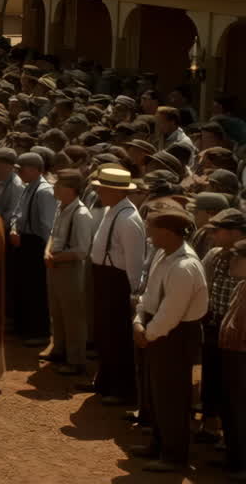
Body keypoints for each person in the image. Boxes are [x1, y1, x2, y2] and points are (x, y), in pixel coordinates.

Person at [128, 202, 207, 473]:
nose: (148, 233)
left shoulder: (185, 266)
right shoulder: (163, 255)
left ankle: (174, 457)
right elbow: (149, 296)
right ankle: (158, 444)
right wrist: (139, 321)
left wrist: (147, 333)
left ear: (168, 232)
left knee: (172, 396)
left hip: (175, 337)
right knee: (157, 393)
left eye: (152, 228)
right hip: (157, 331)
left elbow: (171, 313)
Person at [78, 166, 147, 405]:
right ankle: (105, 381)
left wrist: (133, 293)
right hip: (104, 277)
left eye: (103, 189)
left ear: (117, 191)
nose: (98, 193)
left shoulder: (128, 219)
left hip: (118, 282)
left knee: (117, 336)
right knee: (104, 333)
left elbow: (135, 261)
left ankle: (121, 389)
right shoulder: (112, 210)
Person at [199, 209, 246, 447]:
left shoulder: (243, 259)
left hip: (239, 333)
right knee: (212, 377)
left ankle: (232, 439)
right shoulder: (216, 255)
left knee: (234, 386)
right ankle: (210, 426)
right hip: (215, 324)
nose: (213, 235)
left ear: (236, 232)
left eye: (218, 230)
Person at [44, 169, 94, 375]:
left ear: (71, 189)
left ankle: (76, 360)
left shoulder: (81, 214)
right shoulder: (61, 207)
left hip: (71, 269)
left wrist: (55, 258)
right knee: (56, 311)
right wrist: (47, 252)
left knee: (73, 316)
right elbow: (52, 234)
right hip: (55, 265)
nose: (54, 187)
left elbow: (82, 251)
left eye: (58, 184)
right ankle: (59, 350)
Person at [11, 151, 55, 346]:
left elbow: (48, 225)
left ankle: (40, 332)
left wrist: (47, 250)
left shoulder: (44, 191)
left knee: (37, 289)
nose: (19, 172)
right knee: (23, 287)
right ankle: (24, 327)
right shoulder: (27, 187)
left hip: (37, 244)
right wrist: (14, 229)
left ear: (35, 169)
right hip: (23, 241)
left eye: (22, 169)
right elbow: (16, 213)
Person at [218, 240, 246, 481]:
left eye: (238, 257)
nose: (232, 262)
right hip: (232, 355)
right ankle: (234, 458)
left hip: (242, 358)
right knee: (230, 408)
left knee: (240, 410)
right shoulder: (241, 286)